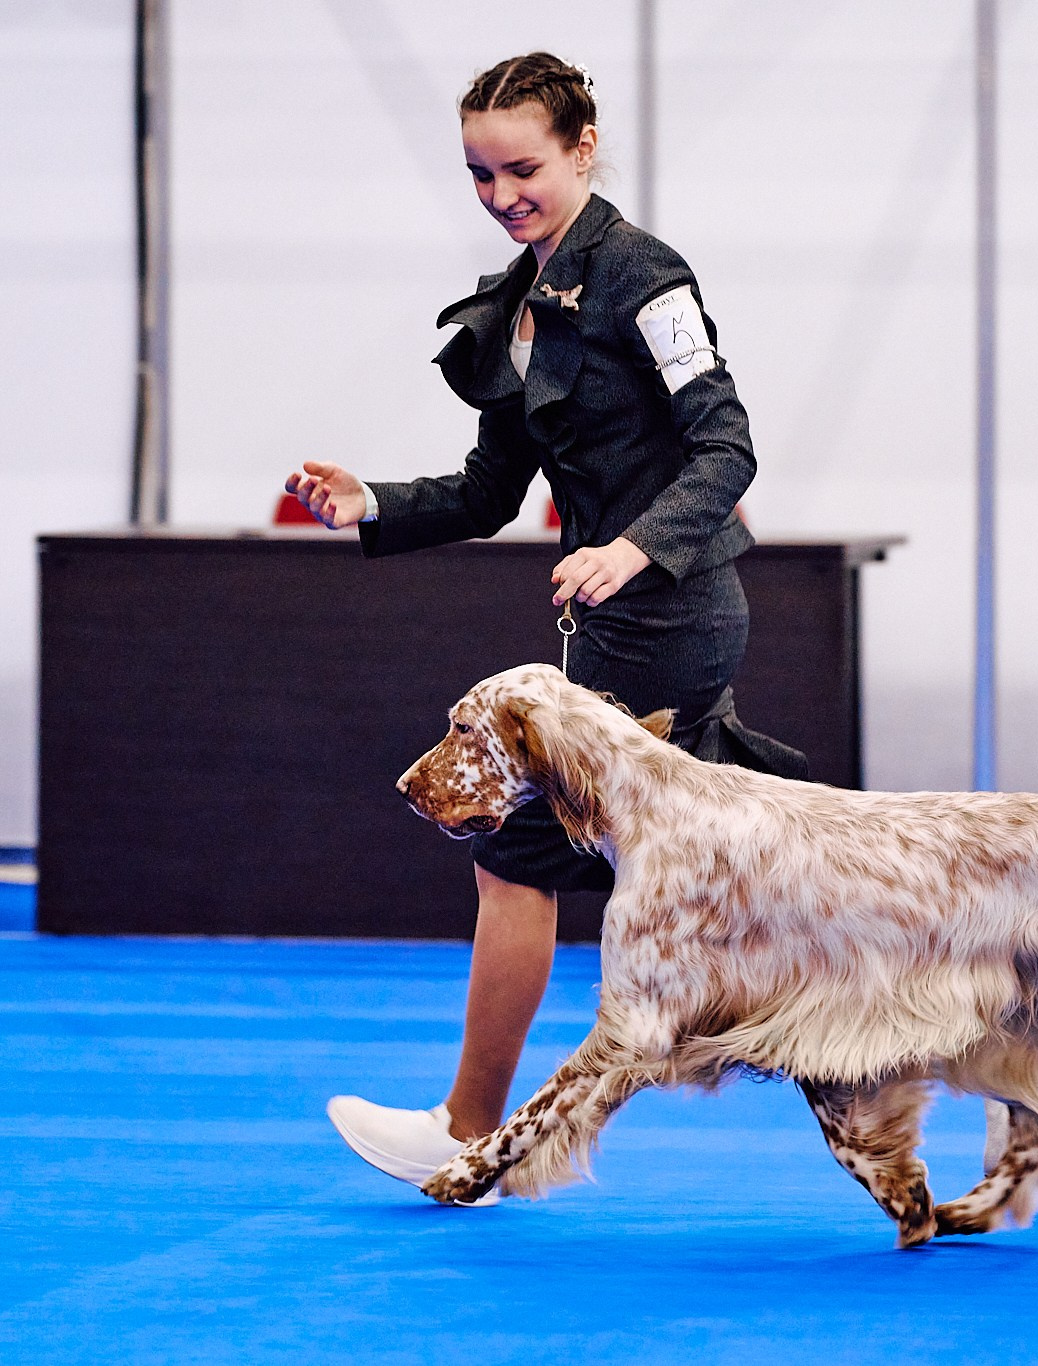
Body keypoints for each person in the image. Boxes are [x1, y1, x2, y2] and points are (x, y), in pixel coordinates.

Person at [287, 51, 801, 1199]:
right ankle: (873, 1049)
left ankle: (470, 1124)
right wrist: (370, 502)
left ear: (582, 146)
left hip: (665, 611)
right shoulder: (522, 302)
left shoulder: (647, 278)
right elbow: (487, 492)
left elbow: (728, 449)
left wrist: (629, 547)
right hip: (608, 616)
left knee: (516, 856)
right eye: (478, 174)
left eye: (521, 168)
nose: (501, 193)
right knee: (727, 889)